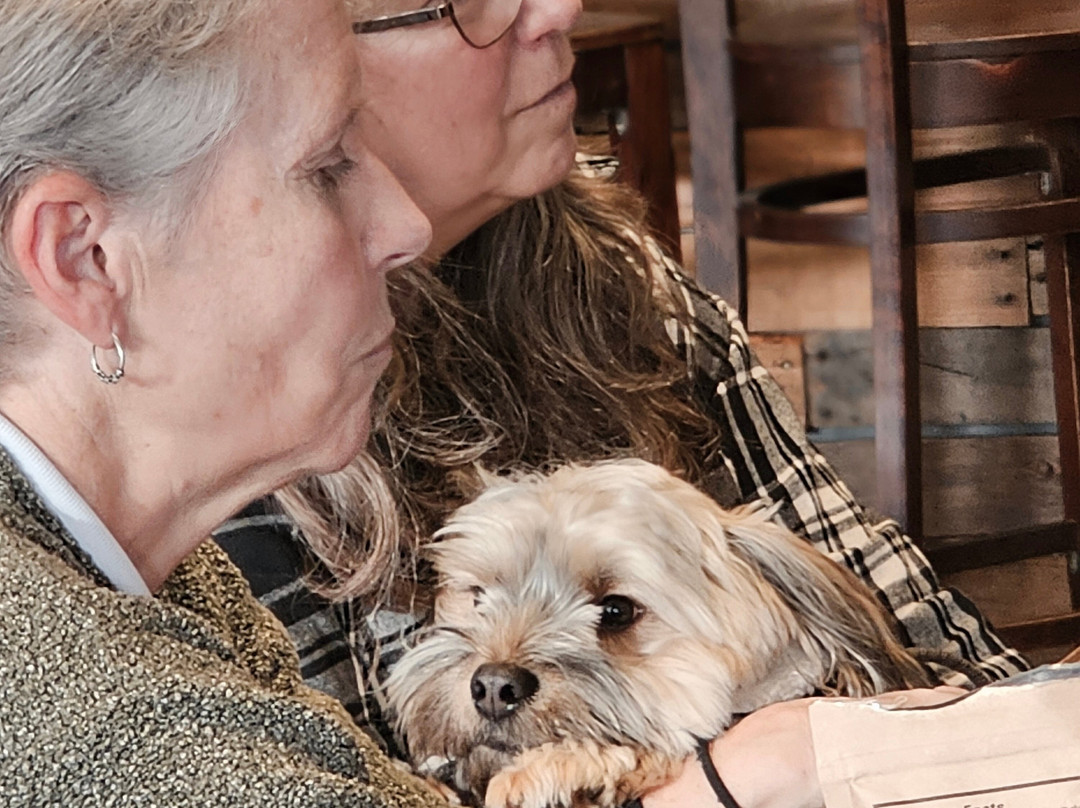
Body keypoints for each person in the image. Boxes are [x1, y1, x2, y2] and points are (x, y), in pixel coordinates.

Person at [214, 0, 1028, 799]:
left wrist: (730, 767)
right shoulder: (214, 434)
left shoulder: (633, 299)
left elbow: (947, 682)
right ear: (305, 52)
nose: (561, 11)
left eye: (612, 613)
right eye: (466, 4)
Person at [0, 0, 452, 804]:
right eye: (327, 165)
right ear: (85, 258)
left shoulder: (124, 550)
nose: (406, 224)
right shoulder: (106, 731)